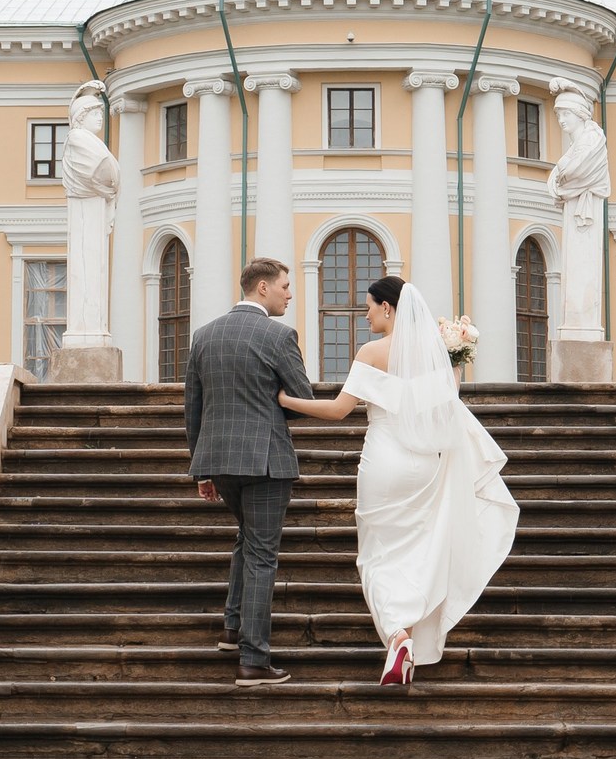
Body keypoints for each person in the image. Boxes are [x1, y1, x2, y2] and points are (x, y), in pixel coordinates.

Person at [279, 277, 519, 687]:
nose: (366, 313)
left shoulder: (372, 352)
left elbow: (338, 411)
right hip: (425, 463)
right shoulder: (434, 356)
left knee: (375, 554)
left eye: (370, 306)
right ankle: (408, 628)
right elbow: (448, 409)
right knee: (420, 548)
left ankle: (397, 634)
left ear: (388, 308)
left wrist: (285, 400)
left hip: (385, 461)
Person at [182, 256, 316, 686]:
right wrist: (271, 405)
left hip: (218, 461)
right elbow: (302, 397)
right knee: (262, 554)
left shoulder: (203, 336)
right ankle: (254, 660)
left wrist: (201, 468)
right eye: (285, 286)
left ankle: (232, 627)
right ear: (262, 288)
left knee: (248, 540)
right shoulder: (278, 337)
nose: (289, 294)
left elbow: (193, 409)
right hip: (265, 462)